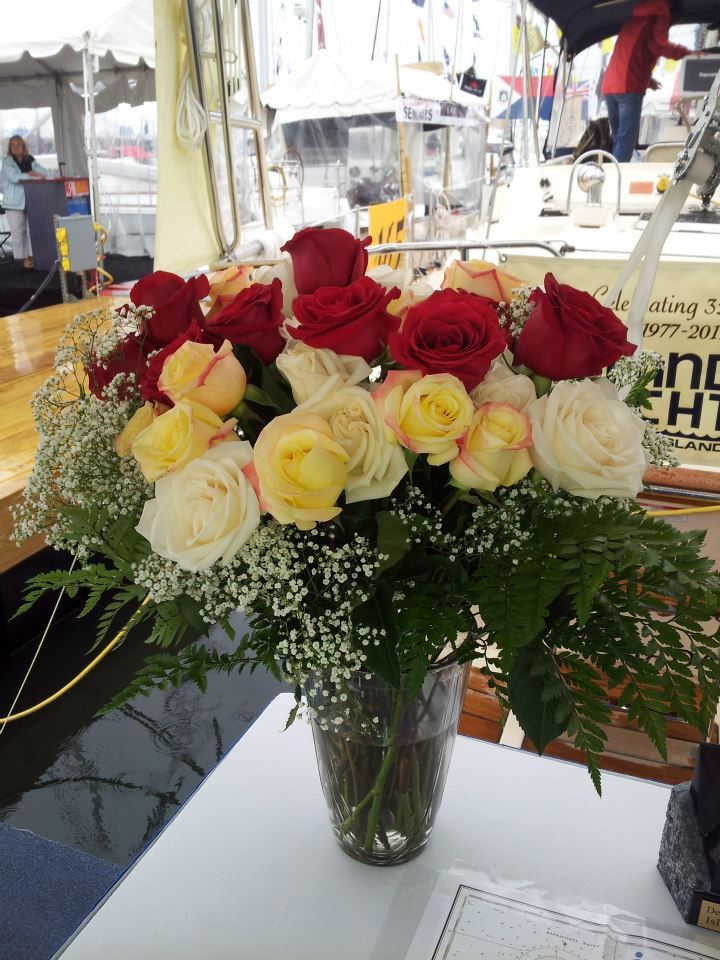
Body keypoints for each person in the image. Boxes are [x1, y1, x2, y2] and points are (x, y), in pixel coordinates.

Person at [601, 0, 693, 162]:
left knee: (619, 139)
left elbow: (633, 55)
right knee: (626, 140)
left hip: (610, 85)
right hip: (628, 87)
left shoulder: (635, 19)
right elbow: (658, 45)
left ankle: (610, 176)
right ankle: (617, 180)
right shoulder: (660, 16)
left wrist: (648, 81)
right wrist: (688, 54)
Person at [1, 135, 49, 269]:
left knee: (31, 230)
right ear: (10, 148)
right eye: (13, 145)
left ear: (23, 147)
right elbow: (14, 177)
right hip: (13, 202)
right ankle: (21, 260)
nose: (15, 147)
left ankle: (32, 257)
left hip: (30, 199)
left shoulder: (30, 160)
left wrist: (33, 173)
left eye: (18, 144)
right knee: (18, 232)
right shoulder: (6, 161)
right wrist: (30, 175)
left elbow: (44, 172)